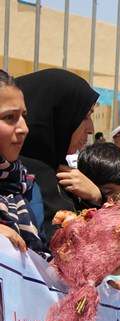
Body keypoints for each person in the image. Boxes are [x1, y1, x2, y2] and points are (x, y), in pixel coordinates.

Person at [16, 68, 101, 240]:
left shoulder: (61, 173)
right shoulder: (15, 180)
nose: (91, 129)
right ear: (59, 116)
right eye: (84, 117)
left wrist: (97, 197)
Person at [0, 69, 48, 256]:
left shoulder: (25, 185)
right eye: (9, 117)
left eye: (24, 117)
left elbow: (39, 260)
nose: (24, 128)